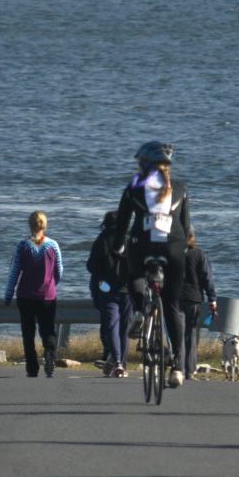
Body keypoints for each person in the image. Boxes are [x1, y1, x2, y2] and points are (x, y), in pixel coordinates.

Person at [115, 140, 192, 388]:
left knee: (134, 276)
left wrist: (118, 247)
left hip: (143, 246)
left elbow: (122, 224)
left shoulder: (134, 187)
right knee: (172, 305)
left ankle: (139, 310)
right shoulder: (180, 188)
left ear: (144, 164)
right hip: (175, 249)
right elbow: (187, 227)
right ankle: (178, 365)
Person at [4, 210, 63, 378]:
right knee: (48, 330)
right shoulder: (53, 245)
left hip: (25, 296)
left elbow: (14, 272)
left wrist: (8, 294)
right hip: (47, 296)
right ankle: (50, 355)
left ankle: (32, 367)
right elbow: (59, 270)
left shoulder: (22, 245)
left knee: (28, 333)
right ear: (44, 225)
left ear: (30, 225)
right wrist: (52, 284)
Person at [86, 210, 133, 377]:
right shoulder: (130, 239)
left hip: (107, 288)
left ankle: (116, 361)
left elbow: (91, 266)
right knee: (124, 328)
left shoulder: (102, 240)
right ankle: (122, 364)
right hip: (128, 290)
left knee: (112, 325)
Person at [177, 227, 218, 382]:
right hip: (194, 297)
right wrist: (212, 299)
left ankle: (178, 367)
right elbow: (207, 278)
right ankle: (190, 370)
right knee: (191, 334)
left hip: (175, 298)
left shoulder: (174, 254)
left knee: (178, 334)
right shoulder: (200, 254)